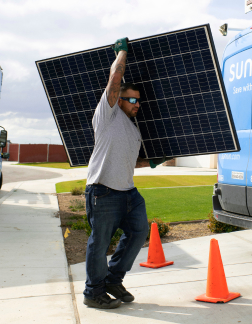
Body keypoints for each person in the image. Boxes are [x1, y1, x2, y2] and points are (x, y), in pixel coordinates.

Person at [83, 37, 164, 309]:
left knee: (139, 232)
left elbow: (130, 161)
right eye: (131, 99)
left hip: (128, 193)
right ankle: (93, 292)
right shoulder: (107, 114)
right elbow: (115, 80)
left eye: (138, 101)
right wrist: (121, 54)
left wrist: (151, 163)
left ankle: (113, 278)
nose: (136, 104)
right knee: (100, 243)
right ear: (118, 100)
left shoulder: (133, 127)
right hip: (103, 190)